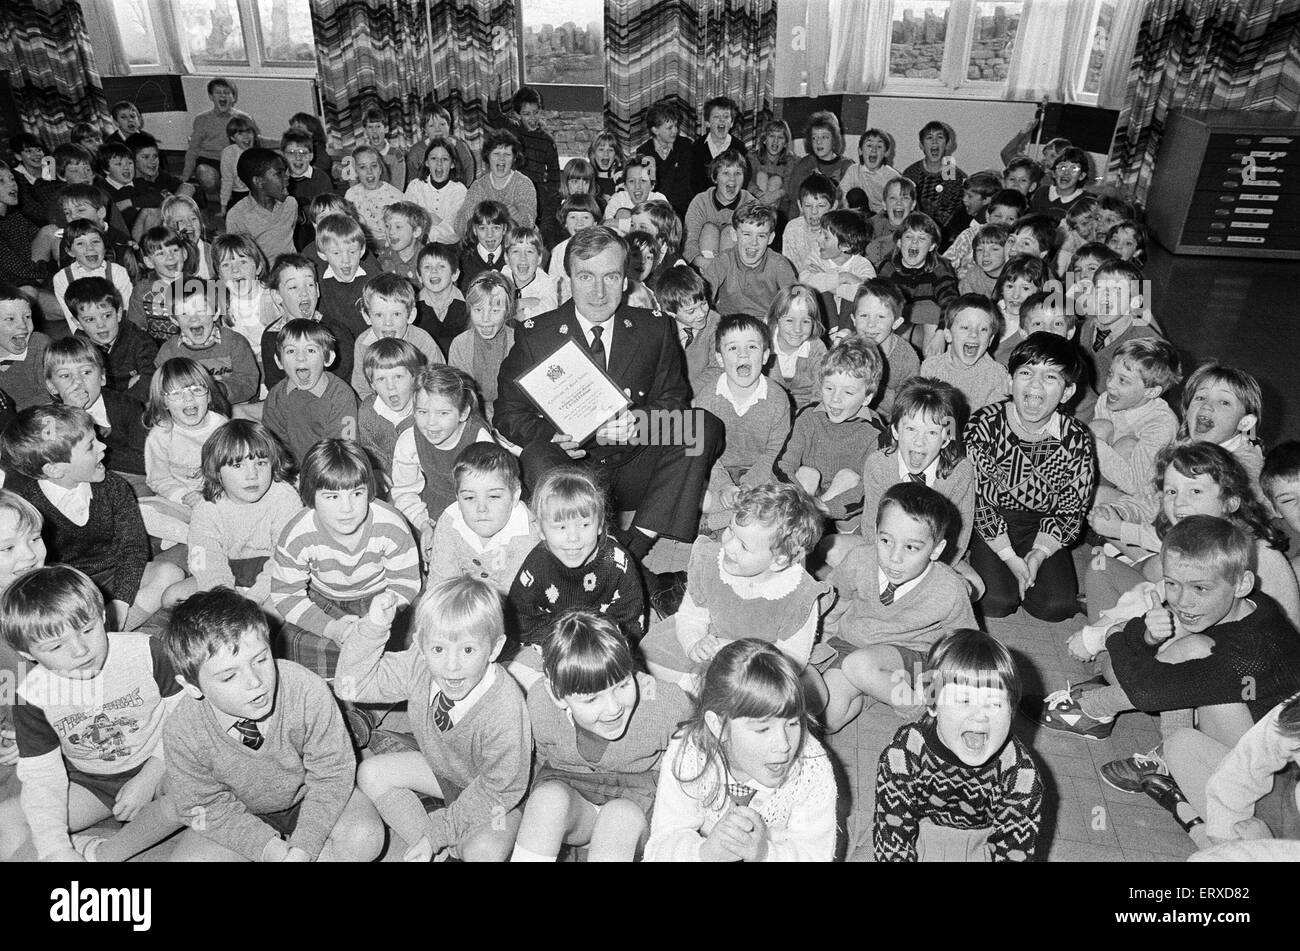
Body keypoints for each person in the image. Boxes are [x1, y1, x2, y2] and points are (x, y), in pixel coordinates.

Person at [494, 227, 723, 564]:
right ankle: (603, 555)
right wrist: (554, 436)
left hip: (634, 462)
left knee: (701, 426)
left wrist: (641, 421)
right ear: (567, 279)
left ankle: (633, 547)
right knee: (534, 456)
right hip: (573, 464)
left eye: (611, 277)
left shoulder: (654, 327)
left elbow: (674, 398)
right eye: (586, 276)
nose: (599, 291)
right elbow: (508, 412)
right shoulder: (536, 336)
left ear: (626, 280)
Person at [162, 586, 383, 861]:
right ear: (192, 686)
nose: (255, 682)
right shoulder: (182, 731)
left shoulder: (305, 689)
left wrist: (304, 846)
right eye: (229, 676)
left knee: (365, 837)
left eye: (261, 659)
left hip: (310, 794)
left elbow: (332, 772)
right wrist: (270, 850)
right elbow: (202, 806)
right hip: (239, 811)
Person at [335, 576, 530, 862]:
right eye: (438, 649)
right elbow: (350, 685)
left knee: (483, 851)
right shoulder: (421, 664)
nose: (451, 666)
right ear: (420, 643)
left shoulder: (504, 705)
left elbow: (500, 790)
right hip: (450, 774)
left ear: (495, 648)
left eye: (467, 650)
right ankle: (432, 853)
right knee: (370, 773)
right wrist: (373, 629)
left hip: (504, 799)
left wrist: (438, 833)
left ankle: (437, 840)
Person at [0, 565, 185, 862]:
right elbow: (43, 778)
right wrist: (55, 849)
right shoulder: (32, 697)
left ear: (102, 616)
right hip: (92, 783)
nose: (80, 651)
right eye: (57, 645)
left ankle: (105, 854)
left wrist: (153, 773)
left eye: (88, 630)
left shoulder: (148, 651)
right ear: (27, 654)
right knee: (8, 821)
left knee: (192, 792)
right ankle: (81, 847)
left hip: (164, 763)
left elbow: (189, 715)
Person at [510, 610, 691, 862]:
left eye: (623, 685)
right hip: (573, 799)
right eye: (592, 698)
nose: (613, 708)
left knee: (618, 817)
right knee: (546, 800)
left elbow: (695, 767)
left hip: (636, 806)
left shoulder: (664, 705)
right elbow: (536, 761)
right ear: (557, 695)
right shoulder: (541, 704)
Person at [644, 639, 836, 861]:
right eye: (763, 729)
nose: (784, 745)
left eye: (792, 723)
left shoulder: (812, 766)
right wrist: (703, 853)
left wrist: (766, 854)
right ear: (718, 726)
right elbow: (660, 847)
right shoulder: (688, 752)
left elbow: (817, 854)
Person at [0, 404, 184, 629]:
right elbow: (40, 566)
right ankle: (97, 631)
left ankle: (110, 630)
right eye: (90, 447)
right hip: (69, 588)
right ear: (55, 470)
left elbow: (133, 548)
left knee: (169, 573)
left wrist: (121, 603)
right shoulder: (29, 506)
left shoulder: (114, 486)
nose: (103, 447)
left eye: (97, 438)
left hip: (118, 575)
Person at [874, 629, 1043, 862]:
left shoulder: (1020, 773)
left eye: (994, 703)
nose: (980, 715)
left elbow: (1015, 851)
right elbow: (892, 835)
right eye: (963, 700)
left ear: (1012, 711)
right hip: (917, 833)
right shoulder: (904, 752)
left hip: (984, 844)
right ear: (932, 704)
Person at [819, 482, 977, 730]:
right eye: (885, 540)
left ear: (936, 550)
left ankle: (921, 713)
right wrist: (822, 644)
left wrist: (938, 690)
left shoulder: (949, 588)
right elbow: (836, 602)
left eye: (911, 547)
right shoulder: (859, 559)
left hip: (914, 656)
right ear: (875, 531)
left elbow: (965, 644)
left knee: (858, 666)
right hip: (852, 645)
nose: (894, 557)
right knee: (828, 719)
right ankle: (875, 690)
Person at [641, 483, 828, 687]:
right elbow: (690, 616)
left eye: (744, 546)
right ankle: (694, 685)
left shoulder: (799, 597)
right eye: (730, 530)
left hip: (758, 667)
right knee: (648, 659)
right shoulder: (710, 561)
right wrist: (693, 643)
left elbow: (794, 660)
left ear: (779, 560)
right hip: (708, 641)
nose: (727, 545)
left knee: (810, 695)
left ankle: (706, 691)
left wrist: (738, 653)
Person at [967, 333, 1094, 621]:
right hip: (993, 521)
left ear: (1067, 392)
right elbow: (978, 500)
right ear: (1010, 382)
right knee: (996, 601)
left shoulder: (1075, 437)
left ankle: (1032, 567)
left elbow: (1073, 507)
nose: (1035, 384)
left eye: (1050, 377)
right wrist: (1009, 557)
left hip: (1043, 523)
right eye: (1026, 372)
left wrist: (1038, 554)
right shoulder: (984, 424)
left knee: (1056, 607)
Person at [270, 439, 420, 680]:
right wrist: (331, 628)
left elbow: (406, 584)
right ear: (310, 495)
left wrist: (373, 624)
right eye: (332, 497)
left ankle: (364, 707)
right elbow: (287, 595)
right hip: (327, 602)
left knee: (414, 643)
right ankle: (339, 692)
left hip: (382, 600)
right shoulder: (297, 534)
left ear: (369, 490)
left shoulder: (390, 525)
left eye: (357, 493)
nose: (347, 508)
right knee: (287, 645)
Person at [508, 467, 646, 653]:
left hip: (605, 648)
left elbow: (630, 622)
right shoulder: (537, 564)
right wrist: (558, 642)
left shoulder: (617, 563)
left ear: (600, 525)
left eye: (584, 525)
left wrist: (597, 647)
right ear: (540, 530)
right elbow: (519, 616)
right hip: (554, 643)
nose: (573, 538)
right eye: (561, 527)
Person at [178, 418, 302, 611]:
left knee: (275, 610)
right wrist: (225, 597)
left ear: (274, 464)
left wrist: (252, 600)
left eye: (261, 463)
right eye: (237, 466)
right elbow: (202, 558)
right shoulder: (206, 506)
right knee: (172, 597)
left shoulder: (284, 497)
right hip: (227, 571)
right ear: (216, 471)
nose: (252, 475)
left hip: (273, 574)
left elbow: (284, 561)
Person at [778, 337, 886, 529]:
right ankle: (803, 528)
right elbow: (782, 466)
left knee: (849, 478)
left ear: (867, 397)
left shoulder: (875, 432)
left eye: (848, 393)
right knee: (807, 474)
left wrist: (824, 507)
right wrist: (802, 502)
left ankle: (815, 529)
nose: (835, 399)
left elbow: (869, 488)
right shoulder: (809, 416)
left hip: (843, 511)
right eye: (829, 388)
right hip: (803, 503)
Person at [426, 442, 538, 593]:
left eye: (493, 496)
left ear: (515, 495)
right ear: (458, 497)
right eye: (469, 498)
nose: (481, 508)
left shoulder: (526, 533)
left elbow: (517, 598)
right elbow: (439, 585)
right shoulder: (450, 521)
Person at [262, 319, 358, 466]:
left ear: (328, 358)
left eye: (311, 350)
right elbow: (275, 448)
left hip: (333, 470)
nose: (301, 357)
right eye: (291, 351)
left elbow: (343, 450)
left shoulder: (341, 395)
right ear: (279, 361)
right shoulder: (276, 397)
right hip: (293, 474)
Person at [350, 272, 443, 401]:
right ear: (367, 317)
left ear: (410, 315)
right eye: (379, 315)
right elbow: (361, 388)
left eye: (396, 314)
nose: (388, 323)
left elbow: (439, 385)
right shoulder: (363, 343)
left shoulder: (422, 342)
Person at [701, 203, 796, 319]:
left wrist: (799, 295)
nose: (754, 242)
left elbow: (796, 294)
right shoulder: (724, 260)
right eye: (747, 234)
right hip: (729, 322)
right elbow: (703, 293)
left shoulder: (779, 263)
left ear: (770, 238)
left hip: (766, 323)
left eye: (761, 236)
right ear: (734, 235)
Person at [918, 294, 1010, 413]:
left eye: (983, 329)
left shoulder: (997, 375)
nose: (973, 334)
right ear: (948, 334)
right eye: (965, 327)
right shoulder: (931, 368)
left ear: (990, 340)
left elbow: (993, 422)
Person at [355, 337, 424, 493]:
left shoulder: (427, 408)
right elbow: (371, 452)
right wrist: (376, 470)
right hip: (391, 486)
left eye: (398, 377)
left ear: (414, 377)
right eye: (381, 379)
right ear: (371, 384)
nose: (390, 387)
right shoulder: (368, 411)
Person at [847, 279, 918, 417]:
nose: (871, 324)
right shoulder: (846, 349)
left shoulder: (907, 359)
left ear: (896, 323)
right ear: (854, 319)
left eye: (880, 316)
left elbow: (906, 408)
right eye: (864, 316)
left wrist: (867, 386)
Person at [225, 147, 298, 261]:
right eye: (279, 173)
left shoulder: (291, 204)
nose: (287, 176)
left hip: (292, 270)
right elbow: (238, 258)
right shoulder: (237, 216)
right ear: (258, 181)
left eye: (285, 171)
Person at [183, 78, 250, 197]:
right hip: (209, 161)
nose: (222, 95)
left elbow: (256, 141)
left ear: (233, 98)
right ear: (211, 96)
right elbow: (193, 149)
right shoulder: (201, 119)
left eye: (227, 92)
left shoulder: (243, 118)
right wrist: (185, 177)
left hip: (234, 161)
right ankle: (221, 194)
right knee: (207, 177)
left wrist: (284, 141)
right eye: (218, 92)